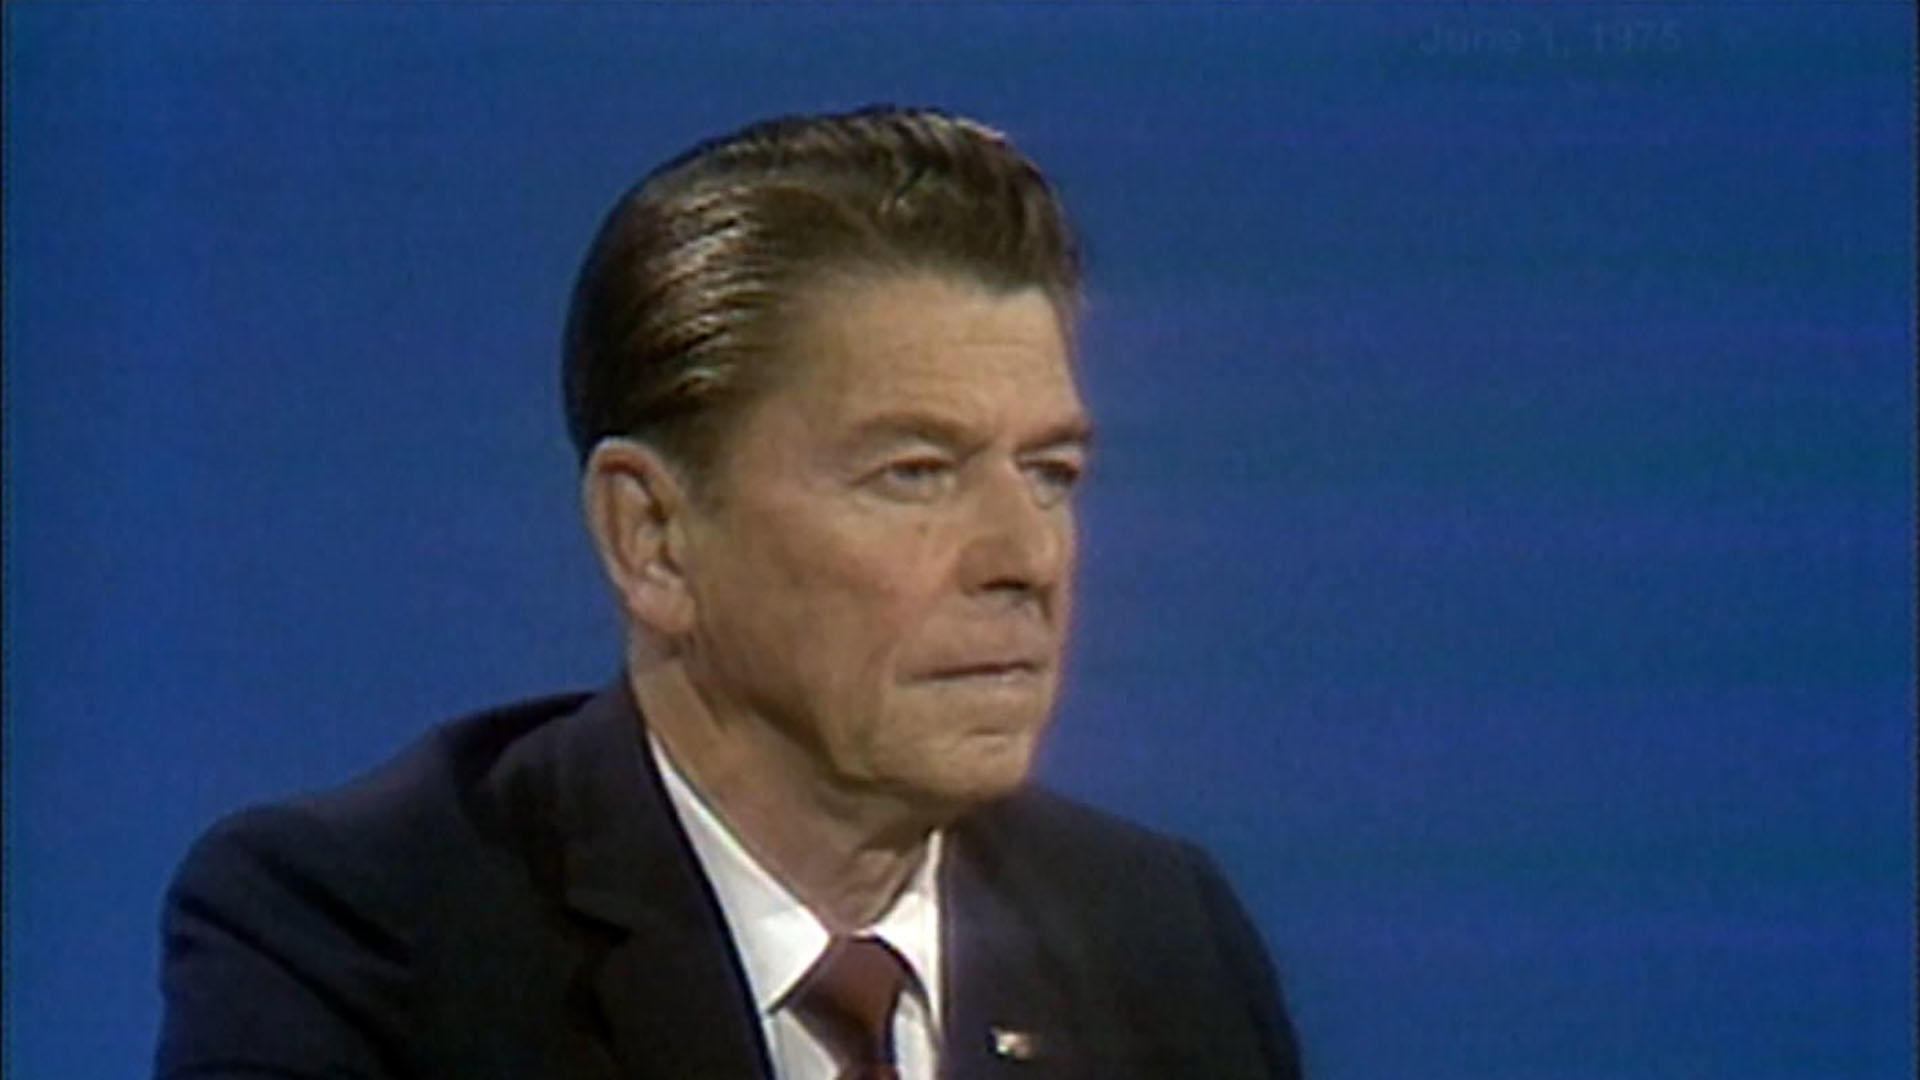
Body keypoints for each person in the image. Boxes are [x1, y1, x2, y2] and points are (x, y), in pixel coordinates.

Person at [155, 105, 1303, 1080]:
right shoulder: (362, 939)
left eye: (1050, 474)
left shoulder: (1154, 938)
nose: (1027, 557)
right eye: (915, 473)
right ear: (652, 538)